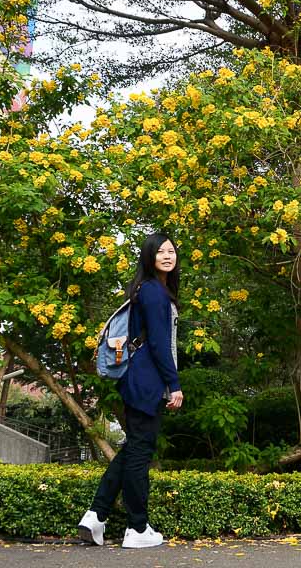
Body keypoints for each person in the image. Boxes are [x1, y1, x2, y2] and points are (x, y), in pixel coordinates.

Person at [78, 233, 184, 549]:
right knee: (140, 453)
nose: (167, 255)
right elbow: (159, 344)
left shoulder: (151, 290)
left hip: (137, 379)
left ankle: (95, 516)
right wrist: (174, 384)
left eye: (171, 251)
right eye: (160, 251)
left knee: (134, 450)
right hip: (146, 380)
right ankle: (137, 529)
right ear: (149, 257)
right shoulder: (154, 292)